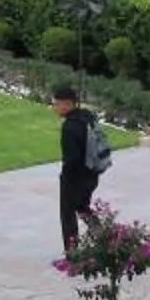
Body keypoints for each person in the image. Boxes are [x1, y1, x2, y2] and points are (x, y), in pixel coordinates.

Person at [51, 81, 102, 253]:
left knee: (67, 216)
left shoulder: (70, 127)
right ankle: (105, 238)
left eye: (57, 103)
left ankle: (72, 255)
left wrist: (65, 178)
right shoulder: (87, 117)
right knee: (82, 207)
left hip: (75, 179)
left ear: (68, 104)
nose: (54, 107)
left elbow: (71, 159)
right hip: (92, 174)